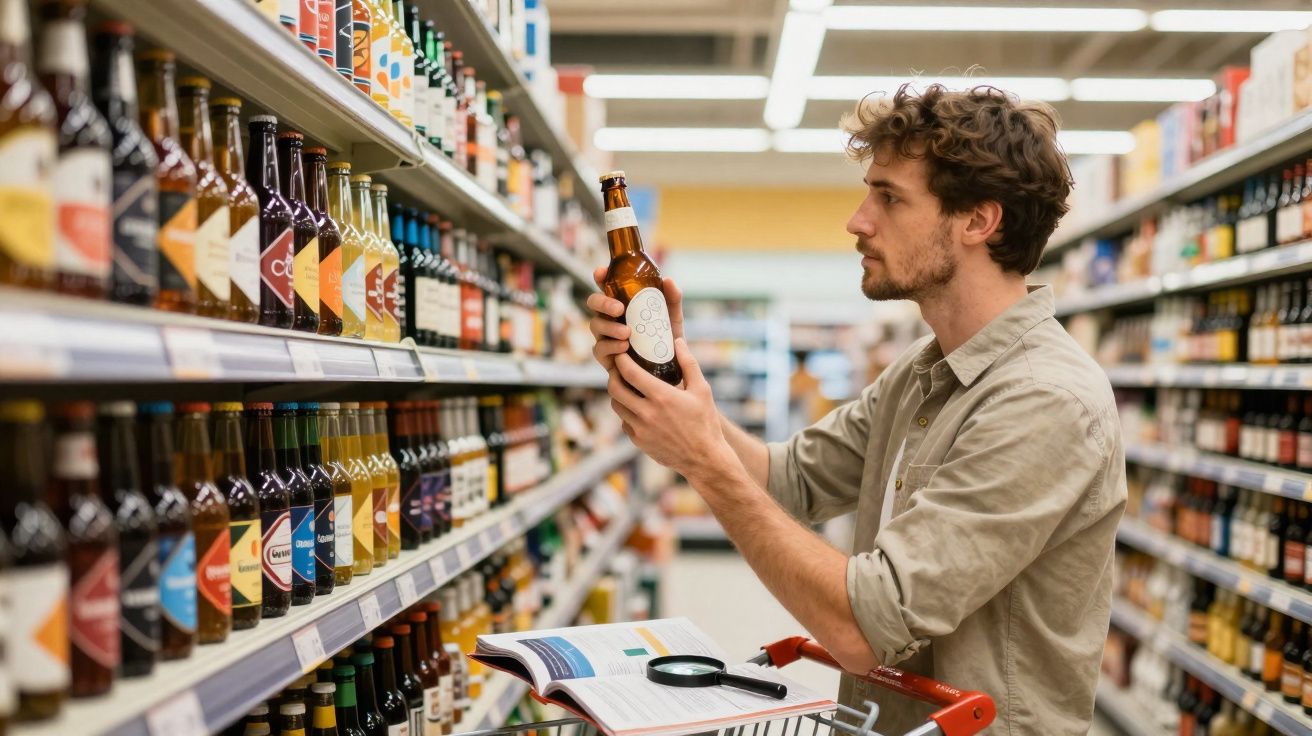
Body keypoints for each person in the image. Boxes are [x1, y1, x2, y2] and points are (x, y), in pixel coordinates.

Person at [586, 83, 1125, 735]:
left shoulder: (1046, 400)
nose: (858, 220)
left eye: (890, 197)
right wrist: (671, 378)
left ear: (979, 221)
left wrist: (702, 459)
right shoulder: (922, 372)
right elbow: (792, 481)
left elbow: (864, 626)